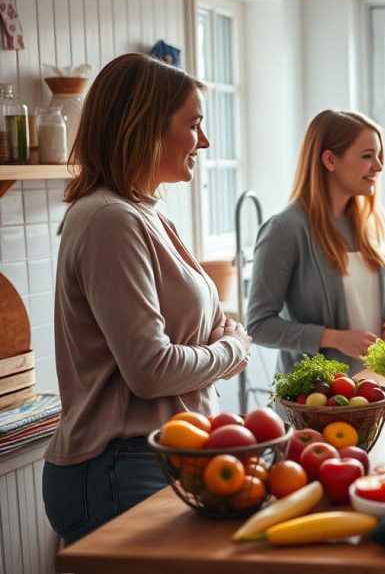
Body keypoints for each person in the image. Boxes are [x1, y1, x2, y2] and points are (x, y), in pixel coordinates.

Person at [42, 53, 252, 544]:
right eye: (194, 125)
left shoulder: (147, 214)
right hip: (120, 464)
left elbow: (212, 322)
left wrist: (220, 344)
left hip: (158, 455)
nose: (204, 141)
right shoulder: (110, 220)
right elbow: (151, 369)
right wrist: (230, 352)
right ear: (147, 128)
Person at [246, 110, 385, 375]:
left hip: (377, 387)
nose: (379, 167)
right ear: (330, 160)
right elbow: (257, 326)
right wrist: (333, 338)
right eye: (368, 156)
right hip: (315, 399)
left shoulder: (371, 222)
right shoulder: (285, 230)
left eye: (378, 156)